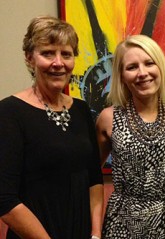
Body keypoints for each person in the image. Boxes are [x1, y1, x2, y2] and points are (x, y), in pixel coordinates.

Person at [0, 16, 104, 239]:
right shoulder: (9, 112)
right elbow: (5, 199)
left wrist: (95, 235)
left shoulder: (81, 109)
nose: (58, 63)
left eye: (66, 54)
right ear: (30, 58)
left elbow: (94, 179)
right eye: (48, 53)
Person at [96, 34, 165, 238]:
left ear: (160, 68)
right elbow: (91, 175)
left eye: (149, 63)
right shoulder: (108, 118)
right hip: (123, 223)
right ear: (121, 75)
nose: (142, 73)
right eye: (132, 67)